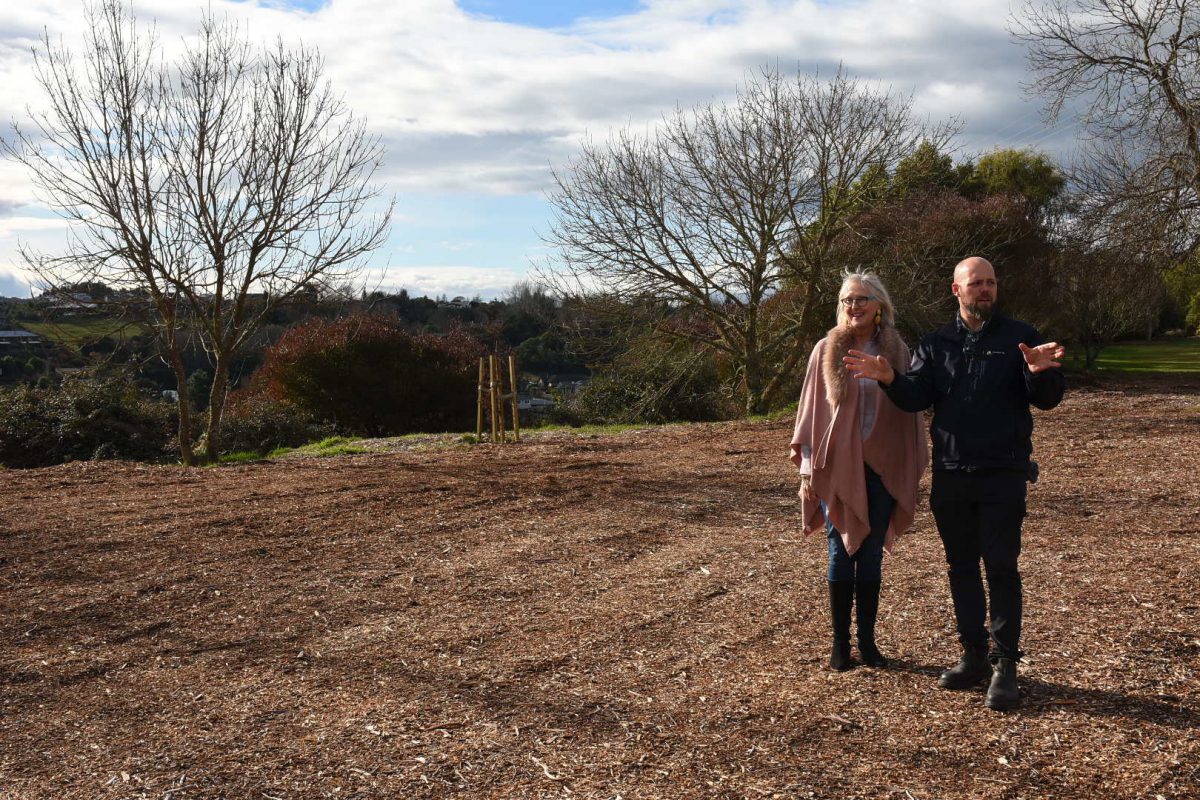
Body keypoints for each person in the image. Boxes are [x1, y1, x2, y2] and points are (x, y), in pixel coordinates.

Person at [844, 256, 1064, 711]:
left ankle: (1006, 664)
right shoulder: (937, 342)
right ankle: (974, 655)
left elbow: (1046, 402)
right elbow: (917, 397)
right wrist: (889, 379)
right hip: (952, 473)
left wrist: (1042, 373)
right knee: (961, 568)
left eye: (991, 282)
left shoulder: (1021, 336)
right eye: (976, 283)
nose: (985, 290)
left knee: (1001, 568)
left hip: (1003, 472)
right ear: (956, 290)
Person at [790, 271, 927, 672]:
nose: (855, 306)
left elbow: (910, 405)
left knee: (870, 557)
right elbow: (812, 414)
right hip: (838, 466)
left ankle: (867, 643)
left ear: (879, 305)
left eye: (863, 299)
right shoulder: (825, 350)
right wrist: (805, 472)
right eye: (848, 300)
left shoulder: (896, 349)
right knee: (838, 552)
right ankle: (840, 644)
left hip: (882, 467)